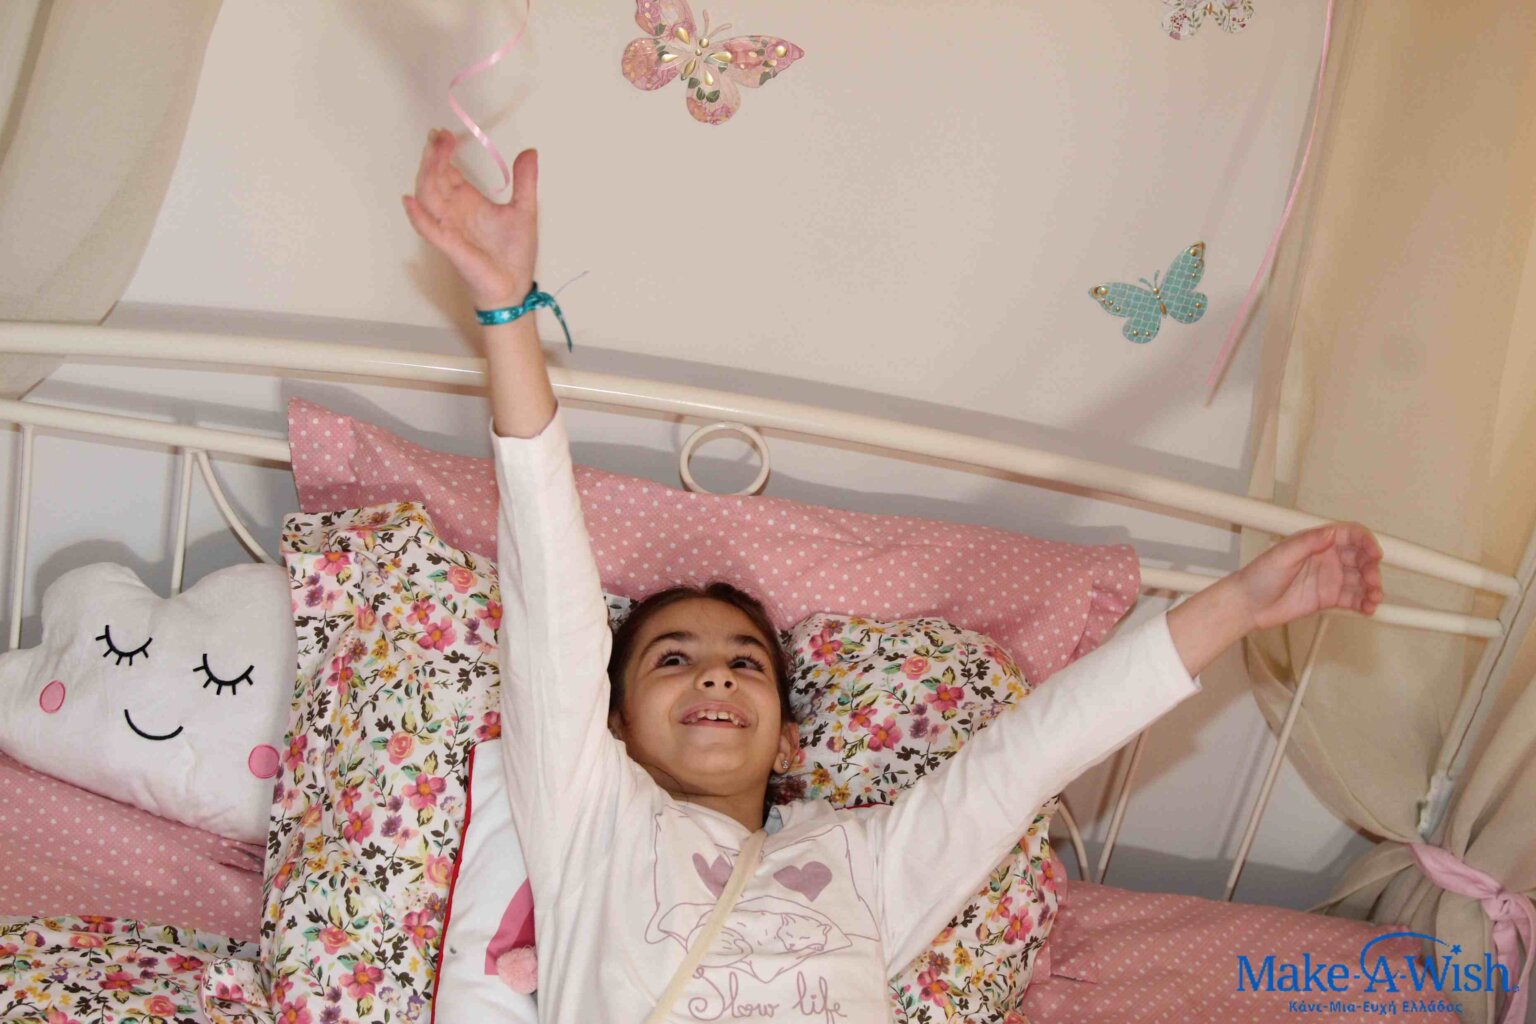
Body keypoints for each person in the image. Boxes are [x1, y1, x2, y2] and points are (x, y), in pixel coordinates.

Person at [402, 128, 1385, 1024]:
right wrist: (507, 313)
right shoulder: (589, 814)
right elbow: (551, 592)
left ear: (790, 738)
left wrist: (1238, 606)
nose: (716, 674)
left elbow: (1027, 758)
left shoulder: (864, 861)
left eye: (746, 661)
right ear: (611, 722)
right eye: (671, 658)